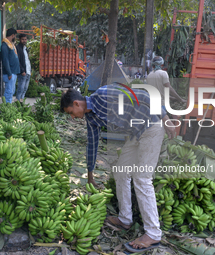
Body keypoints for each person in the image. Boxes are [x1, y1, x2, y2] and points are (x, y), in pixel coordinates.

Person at [60, 85, 176, 253]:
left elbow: (143, 95)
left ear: (77, 103)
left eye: (71, 112)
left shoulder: (104, 94)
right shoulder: (91, 119)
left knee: (142, 178)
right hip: (135, 133)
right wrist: (90, 174)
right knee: (120, 171)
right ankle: (125, 219)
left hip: (151, 127)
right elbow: (92, 145)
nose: (72, 117)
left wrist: (166, 118)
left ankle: (153, 234)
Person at [1, 28, 20, 103]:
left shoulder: (10, 45)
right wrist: (9, 73)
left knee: (11, 91)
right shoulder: (5, 46)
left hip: (13, 72)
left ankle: (7, 106)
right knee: (9, 92)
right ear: (12, 35)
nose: (15, 37)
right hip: (10, 73)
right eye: (15, 36)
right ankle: (5, 108)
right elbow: (5, 60)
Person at [16, 34, 31, 103]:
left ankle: (21, 102)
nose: (24, 41)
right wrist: (22, 70)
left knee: (25, 89)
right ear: (19, 39)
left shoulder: (25, 48)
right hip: (23, 73)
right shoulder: (18, 48)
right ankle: (18, 102)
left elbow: (27, 60)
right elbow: (18, 61)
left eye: (25, 39)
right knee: (20, 89)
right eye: (23, 39)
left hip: (28, 71)